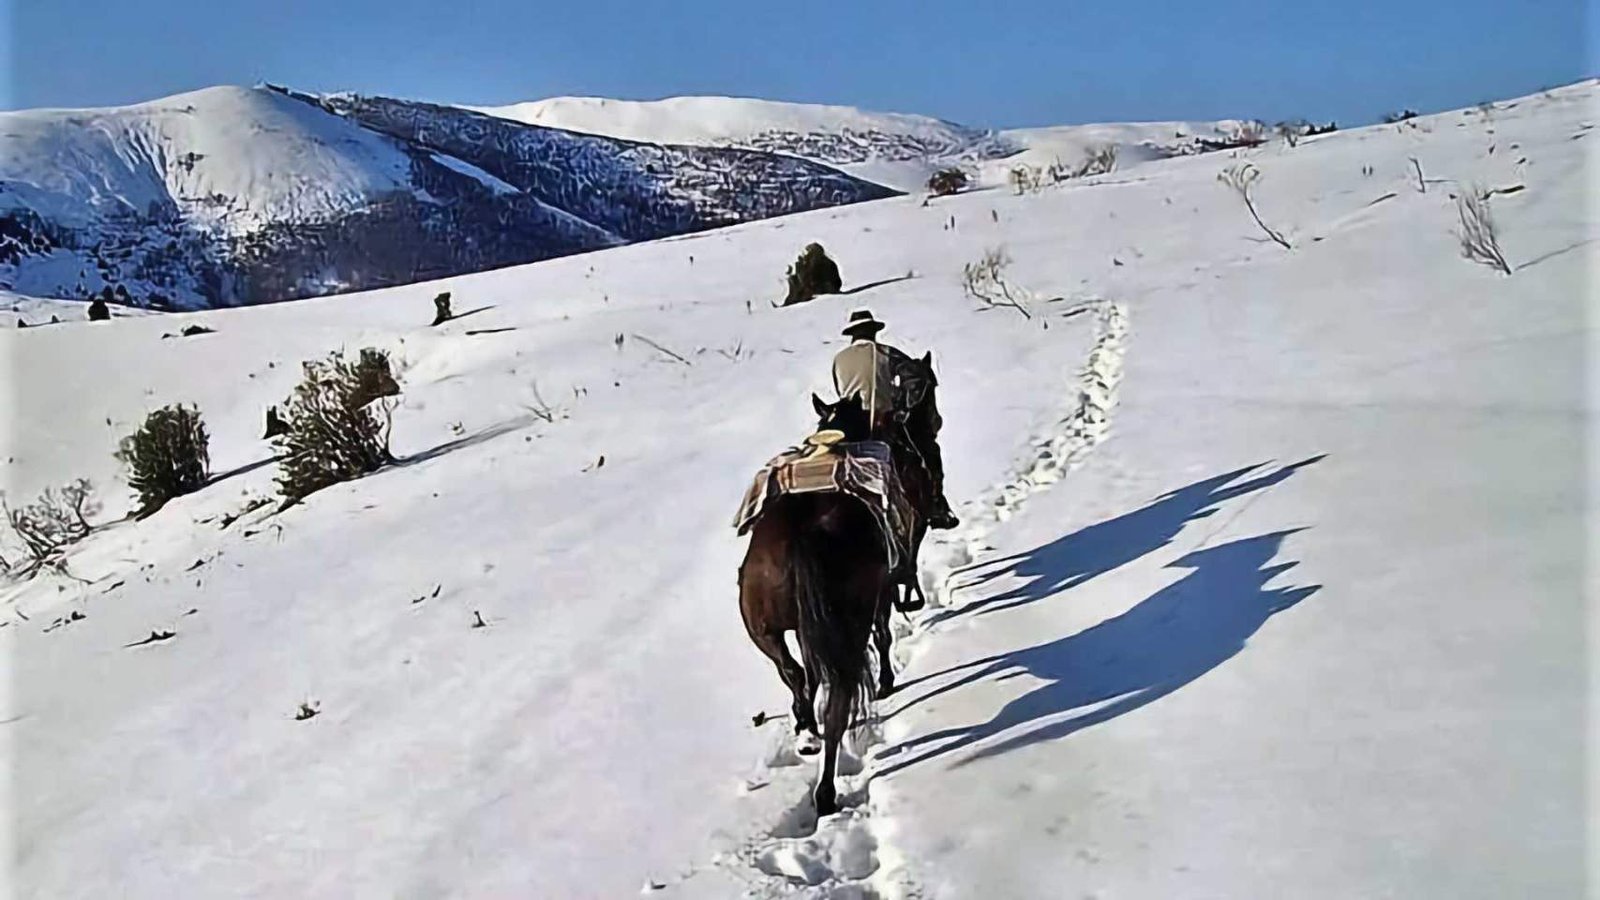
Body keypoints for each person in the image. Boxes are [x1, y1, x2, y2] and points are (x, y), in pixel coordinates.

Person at [830, 309, 958, 530]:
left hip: (845, 425)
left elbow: (840, 390)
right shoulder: (886, 353)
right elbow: (916, 379)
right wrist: (905, 408)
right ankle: (937, 506)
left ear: (852, 334)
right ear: (873, 332)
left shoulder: (838, 359)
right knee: (928, 454)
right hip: (879, 422)